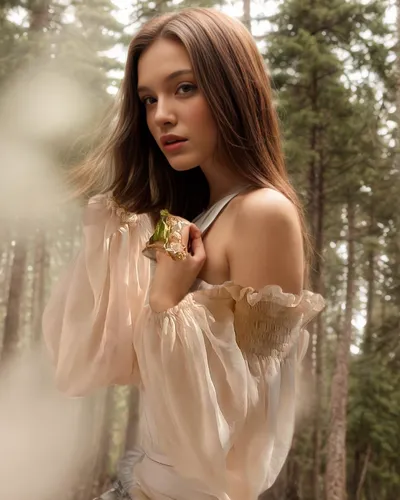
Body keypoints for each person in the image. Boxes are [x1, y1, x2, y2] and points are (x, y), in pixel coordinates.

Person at [42, 7, 325, 500]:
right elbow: (94, 362)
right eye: (148, 99)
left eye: (184, 88)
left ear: (234, 87)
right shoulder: (191, 219)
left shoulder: (264, 214)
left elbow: (248, 433)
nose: (160, 116)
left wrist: (165, 301)